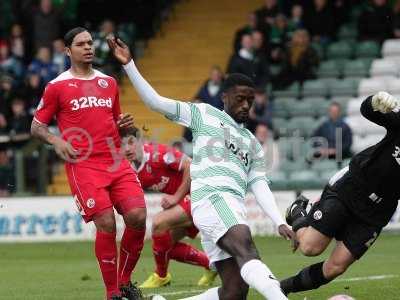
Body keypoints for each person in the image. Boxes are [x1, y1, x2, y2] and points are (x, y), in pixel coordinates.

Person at [109, 37, 295, 300]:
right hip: (213, 198)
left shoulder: (252, 143)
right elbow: (155, 102)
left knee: (234, 291)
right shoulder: (204, 114)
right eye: (240, 98)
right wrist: (129, 65)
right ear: (225, 96)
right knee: (248, 251)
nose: (245, 105)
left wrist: (278, 221)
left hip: (231, 206)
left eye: (250, 100)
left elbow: (259, 184)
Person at [30, 27, 145, 300]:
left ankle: (125, 280)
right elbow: (36, 127)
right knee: (106, 222)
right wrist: (57, 141)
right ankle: (112, 293)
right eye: (81, 44)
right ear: (68, 51)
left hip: (114, 159)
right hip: (84, 164)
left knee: (138, 216)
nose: (88, 47)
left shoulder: (109, 83)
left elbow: (116, 125)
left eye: (90, 43)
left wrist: (124, 127)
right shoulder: (57, 86)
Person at [281, 91, 400, 296]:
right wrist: (375, 100)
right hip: (352, 187)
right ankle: (298, 212)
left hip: (377, 212)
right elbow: (367, 111)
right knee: (309, 248)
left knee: (335, 268)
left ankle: (281, 289)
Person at [121, 128, 217, 288]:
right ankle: (212, 265)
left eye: (131, 142)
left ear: (141, 141)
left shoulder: (158, 153)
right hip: (187, 202)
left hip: (202, 194)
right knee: (165, 245)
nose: (127, 149)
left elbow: (190, 165)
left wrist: (176, 197)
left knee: (158, 224)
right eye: (121, 145)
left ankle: (161, 276)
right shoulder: (131, 170)